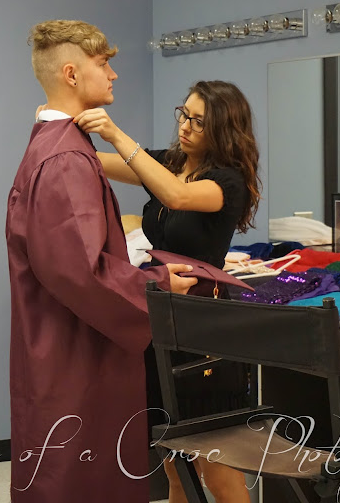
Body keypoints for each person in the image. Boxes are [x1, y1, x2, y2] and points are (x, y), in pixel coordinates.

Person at [6, 19, 197, 503]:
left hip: (59, 343)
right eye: (103, 63)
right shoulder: (65, 158)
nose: (113, 75)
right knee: (81, 477)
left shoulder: (54, 144)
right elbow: (81, 272)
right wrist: (157, 284)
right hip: (76, 353)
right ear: (71, 74)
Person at [73, 79, 262, 503]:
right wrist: (60, 128)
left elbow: (176, 196)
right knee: (175, 467)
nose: (186, 127)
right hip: (162, 322)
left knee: (218, 470)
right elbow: (97, 163)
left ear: (223, 130)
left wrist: (114, 132)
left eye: (199, 121)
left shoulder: (227, 182)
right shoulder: (171, 162)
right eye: (184, 115)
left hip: (205, 333)